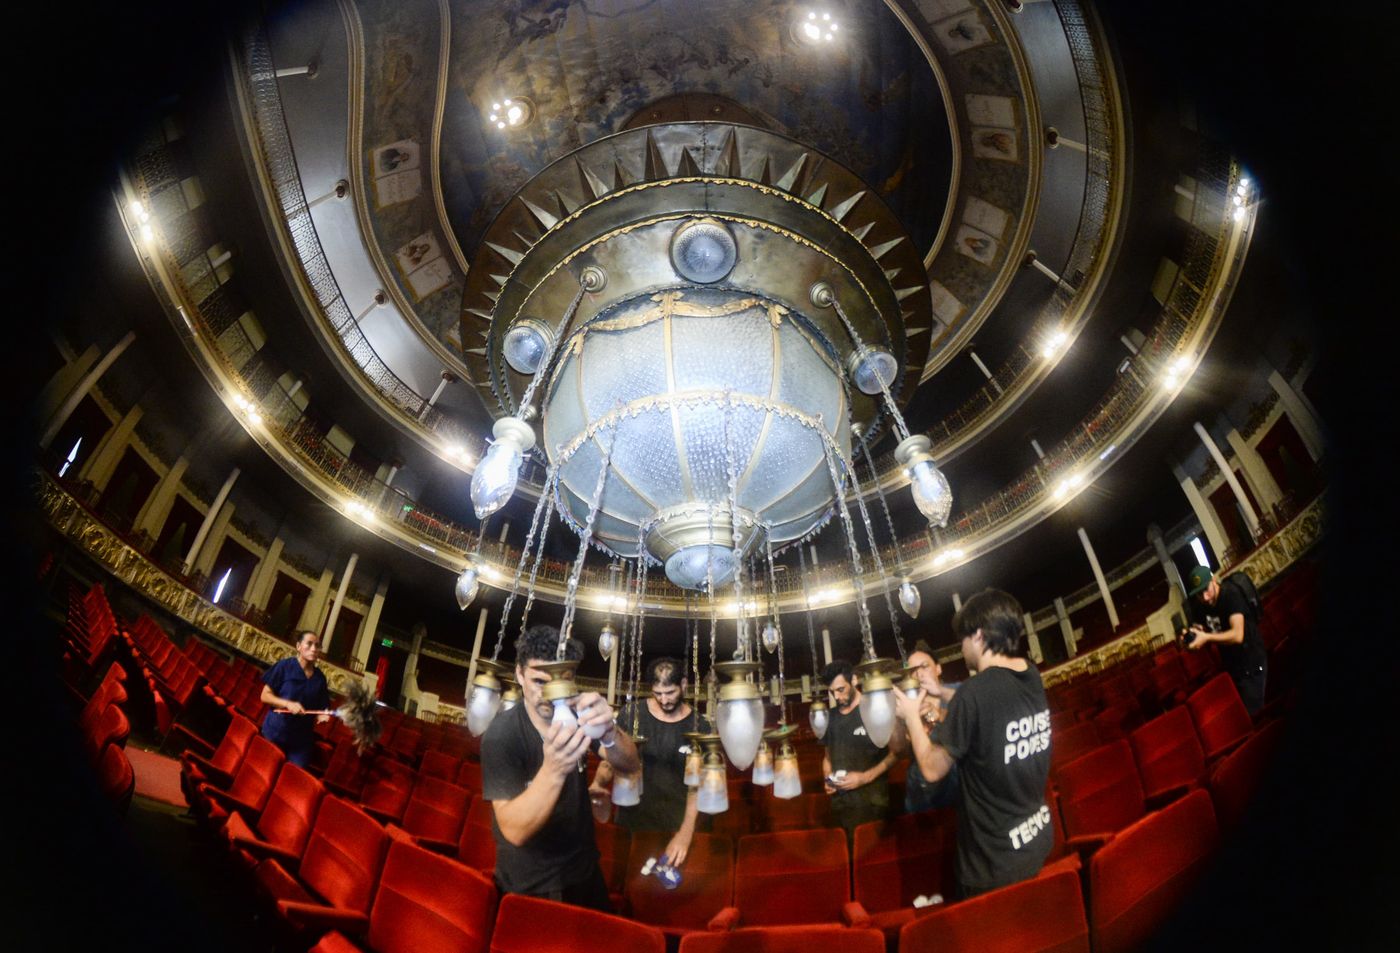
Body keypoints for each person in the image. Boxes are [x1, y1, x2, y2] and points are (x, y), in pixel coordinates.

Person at [892, 589, 1053, 899]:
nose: (962, 647)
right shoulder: (1029, 674)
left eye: (963, 639)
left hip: (993, 865)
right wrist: (944, 693)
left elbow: (930, 769)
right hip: (1037, 838)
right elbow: (987, 702)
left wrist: (911, 716)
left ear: (978, 636)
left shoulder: (975, 691)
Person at [481, 623, 640, 910]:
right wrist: (554, 768)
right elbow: (514, 831)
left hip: (586, 872)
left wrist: (609, 732)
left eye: (562, 680)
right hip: (532, 885)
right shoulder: (502, 734)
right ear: (519, 674)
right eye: (539, 681)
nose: (549, 694)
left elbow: (629, 764)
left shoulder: (577, 716)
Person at [590, 657, 701, 866]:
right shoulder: (631, 715)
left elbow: (698, 786)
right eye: (658, 693)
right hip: (632, 821)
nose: (664, 700)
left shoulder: (699, 725)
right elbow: (612, 761)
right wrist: (598, 783)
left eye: (670, 693)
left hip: (675, 824)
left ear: (683, 685)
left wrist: (685, 834)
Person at [820, 659, 895, 841]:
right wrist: (827, 777)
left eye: (841, 690)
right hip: (840, 805)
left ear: (854, 681)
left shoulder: (874, 710)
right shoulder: (830, 717)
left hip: (872, 803)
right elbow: (827, 757)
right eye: (832, 692)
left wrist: (864, 778)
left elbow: (896, 754)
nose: (837, 697)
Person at [1184, 565, 1268, 715]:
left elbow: (1237, 635)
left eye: (1206, 590)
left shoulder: (1230, 595)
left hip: (1252, 663)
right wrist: (1190, 636)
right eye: (1198, 594)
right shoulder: (1202, 605)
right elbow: (1200, 629)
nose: (1204, 597)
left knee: (1254, 715)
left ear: (1214, 580)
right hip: (1233, 668)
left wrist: (1207, 637)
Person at [890, 640, 960, 813]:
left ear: (938, 668)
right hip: (922, 795)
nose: (919, 674)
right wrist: (898, 719)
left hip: (959, 787)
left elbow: (971, 714)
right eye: (913, 671)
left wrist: (938, 716)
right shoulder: (907, 704)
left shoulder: (957, 691)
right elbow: (899, 750)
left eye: (924, 667)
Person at [259, 630, 332, 768]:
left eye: (317, 646)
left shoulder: (320, 678)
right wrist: (287, 704)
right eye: (309, 644)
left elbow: (323, 707)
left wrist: (323, 715)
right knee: (264, 770)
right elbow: (264, 695)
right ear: (298, 646)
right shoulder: (284, 666)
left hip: (301, 742)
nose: (314, 649)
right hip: (276, 732)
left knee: (292, 781)